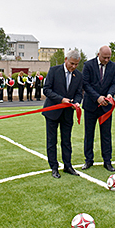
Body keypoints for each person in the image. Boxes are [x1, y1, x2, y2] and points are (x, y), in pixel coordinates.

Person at [42, 48, 83, 176]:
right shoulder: (54, 71)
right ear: (66, 60)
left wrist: (76, 102)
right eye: (72, 63)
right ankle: (54, 167)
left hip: (67, 114)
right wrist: (61, 100)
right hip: (52, 112)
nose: (74, 66)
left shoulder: (79, 76)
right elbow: (46, 90)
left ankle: (68, 165)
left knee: (66, 140)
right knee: (51, 141)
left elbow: (79, 93)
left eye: (76, 64)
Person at [82, 44, 115, 170]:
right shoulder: (88, 65)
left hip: (106, 107)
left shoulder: (114, 67)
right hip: (90, 105)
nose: (107, 60)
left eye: (109, 57)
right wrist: (97, 97)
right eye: (104, 57)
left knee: (106, 135)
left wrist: (109, 95)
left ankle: (107, 161)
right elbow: (86, 84)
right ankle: (88, 160)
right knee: (89, 134)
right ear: (98, 55)